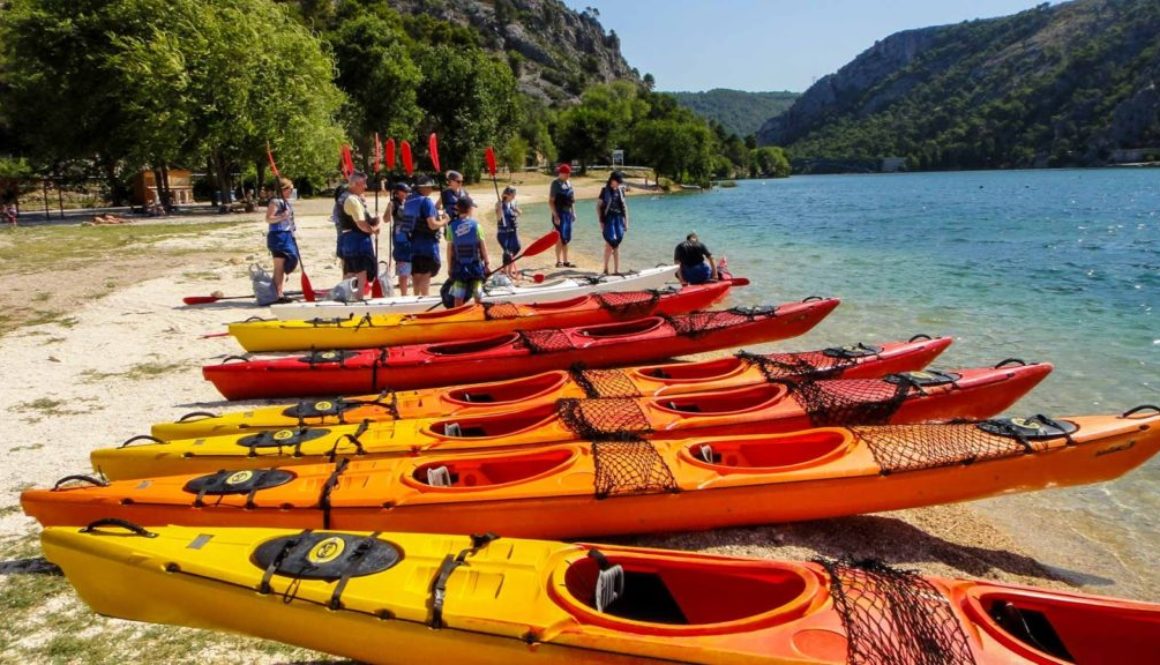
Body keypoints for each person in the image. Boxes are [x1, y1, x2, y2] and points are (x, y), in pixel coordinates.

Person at [336, 171, 382, 297]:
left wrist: (372, 222)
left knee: (350, 269)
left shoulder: (344, 196)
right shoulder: (352, 200)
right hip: (357, 239)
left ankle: (345, 296)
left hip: (347, 238)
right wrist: (375, 229)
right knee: (361, 270)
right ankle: (359, 297)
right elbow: (361, 224)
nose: (366, 186)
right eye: (363, 184)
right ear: (355, 184)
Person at [403, 174, 446, 296]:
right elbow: (432, 225)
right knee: (426, 275)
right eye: (430, 187)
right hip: (427, 245)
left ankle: (416, 300)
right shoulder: (426, 201)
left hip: (413, 244)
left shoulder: (409, 200)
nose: (431, 189)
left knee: (416, 275)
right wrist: (444, 221)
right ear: (422, 188)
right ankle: (425, 301)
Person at [446, 196, 491, 307]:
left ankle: (459, 316)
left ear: (458, 209)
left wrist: (449, 267)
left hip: (459, 266)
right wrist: (487, 263)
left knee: (458, 296)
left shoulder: (451, 227)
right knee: (478, 294)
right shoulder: (477, 226)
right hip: (475, 266)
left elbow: (449, 250)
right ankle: (479, 314)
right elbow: (483, 246)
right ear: (470, 209)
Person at [264, 178, 300, 303]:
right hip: (278, 236)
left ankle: (277, 291)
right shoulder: (275, 202)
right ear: (284, 189)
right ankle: (278, 294)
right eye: (290, 188)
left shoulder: (285, 202)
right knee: (279, 266)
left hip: (287, 235)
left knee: (290, 261)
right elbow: (269, 218)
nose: (292, 191)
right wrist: (282, 216)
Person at [596, 171, 629, 275]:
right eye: (617, 181)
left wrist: (626, 222)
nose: (619, 184)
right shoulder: (604, 190)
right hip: (608, 219)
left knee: (616, 245)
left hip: (618, 219)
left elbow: (624, 207)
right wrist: (601, 221)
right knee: (608, 245)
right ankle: (605, 269)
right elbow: (598, 207)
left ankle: (616, 270)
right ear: (612, 180)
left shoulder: (621, 191)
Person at [386, 182, 412, 295]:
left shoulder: (409, 202)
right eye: (404, 191)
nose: (406, 193)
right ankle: (404, 294)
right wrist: (389, 208)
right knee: (403, 263)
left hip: (410, 234)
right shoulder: (394, 204)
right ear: (397, 192)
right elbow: (386, 219)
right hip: (400, 235)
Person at [549, 163, 576, 267]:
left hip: (568, 214)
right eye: (567, 174)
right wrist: (555, 215)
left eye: (569, 174)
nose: (568, 175)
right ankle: (558, 261)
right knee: (559, 237)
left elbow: (572, 201)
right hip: (559, 213)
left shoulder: (569, 183)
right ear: (561, 173)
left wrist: (573, 212)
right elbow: (551, 201)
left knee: (566, 238)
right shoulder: (555, 184)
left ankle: (566, 261)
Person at [495, 186, 521, 279]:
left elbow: (520, 213)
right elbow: (498, 218)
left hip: (513, 232)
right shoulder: (499, 204)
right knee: (507, 252)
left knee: (517, 248)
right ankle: (507, 272)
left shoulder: (513, 203)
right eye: (513, 195)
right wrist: (499, 209)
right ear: (508, 195)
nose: (514, 196)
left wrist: (516, 209)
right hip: (503, 233)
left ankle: (508, 271)